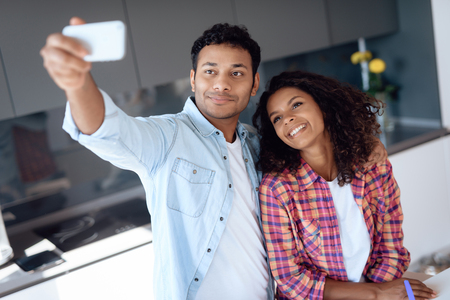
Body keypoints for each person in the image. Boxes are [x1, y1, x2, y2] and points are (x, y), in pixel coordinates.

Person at [40, 17, 387, 299]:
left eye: (236, 73)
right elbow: (107, 131)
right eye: (210, 71)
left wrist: (367, 145)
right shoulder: (166, 138)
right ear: (193, 79)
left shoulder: (258, 145)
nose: (221, 83)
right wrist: (77, 82)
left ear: (253, 85)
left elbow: (317, 149)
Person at [252, 70, 437, 300]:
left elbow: (391, 246)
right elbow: (291, 280)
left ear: (324, 107)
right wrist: (376, 294)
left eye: (296, 105)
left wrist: (383, 291)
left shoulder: (372, 164)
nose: (287, 118)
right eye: (276, 118)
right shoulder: (277, 189)